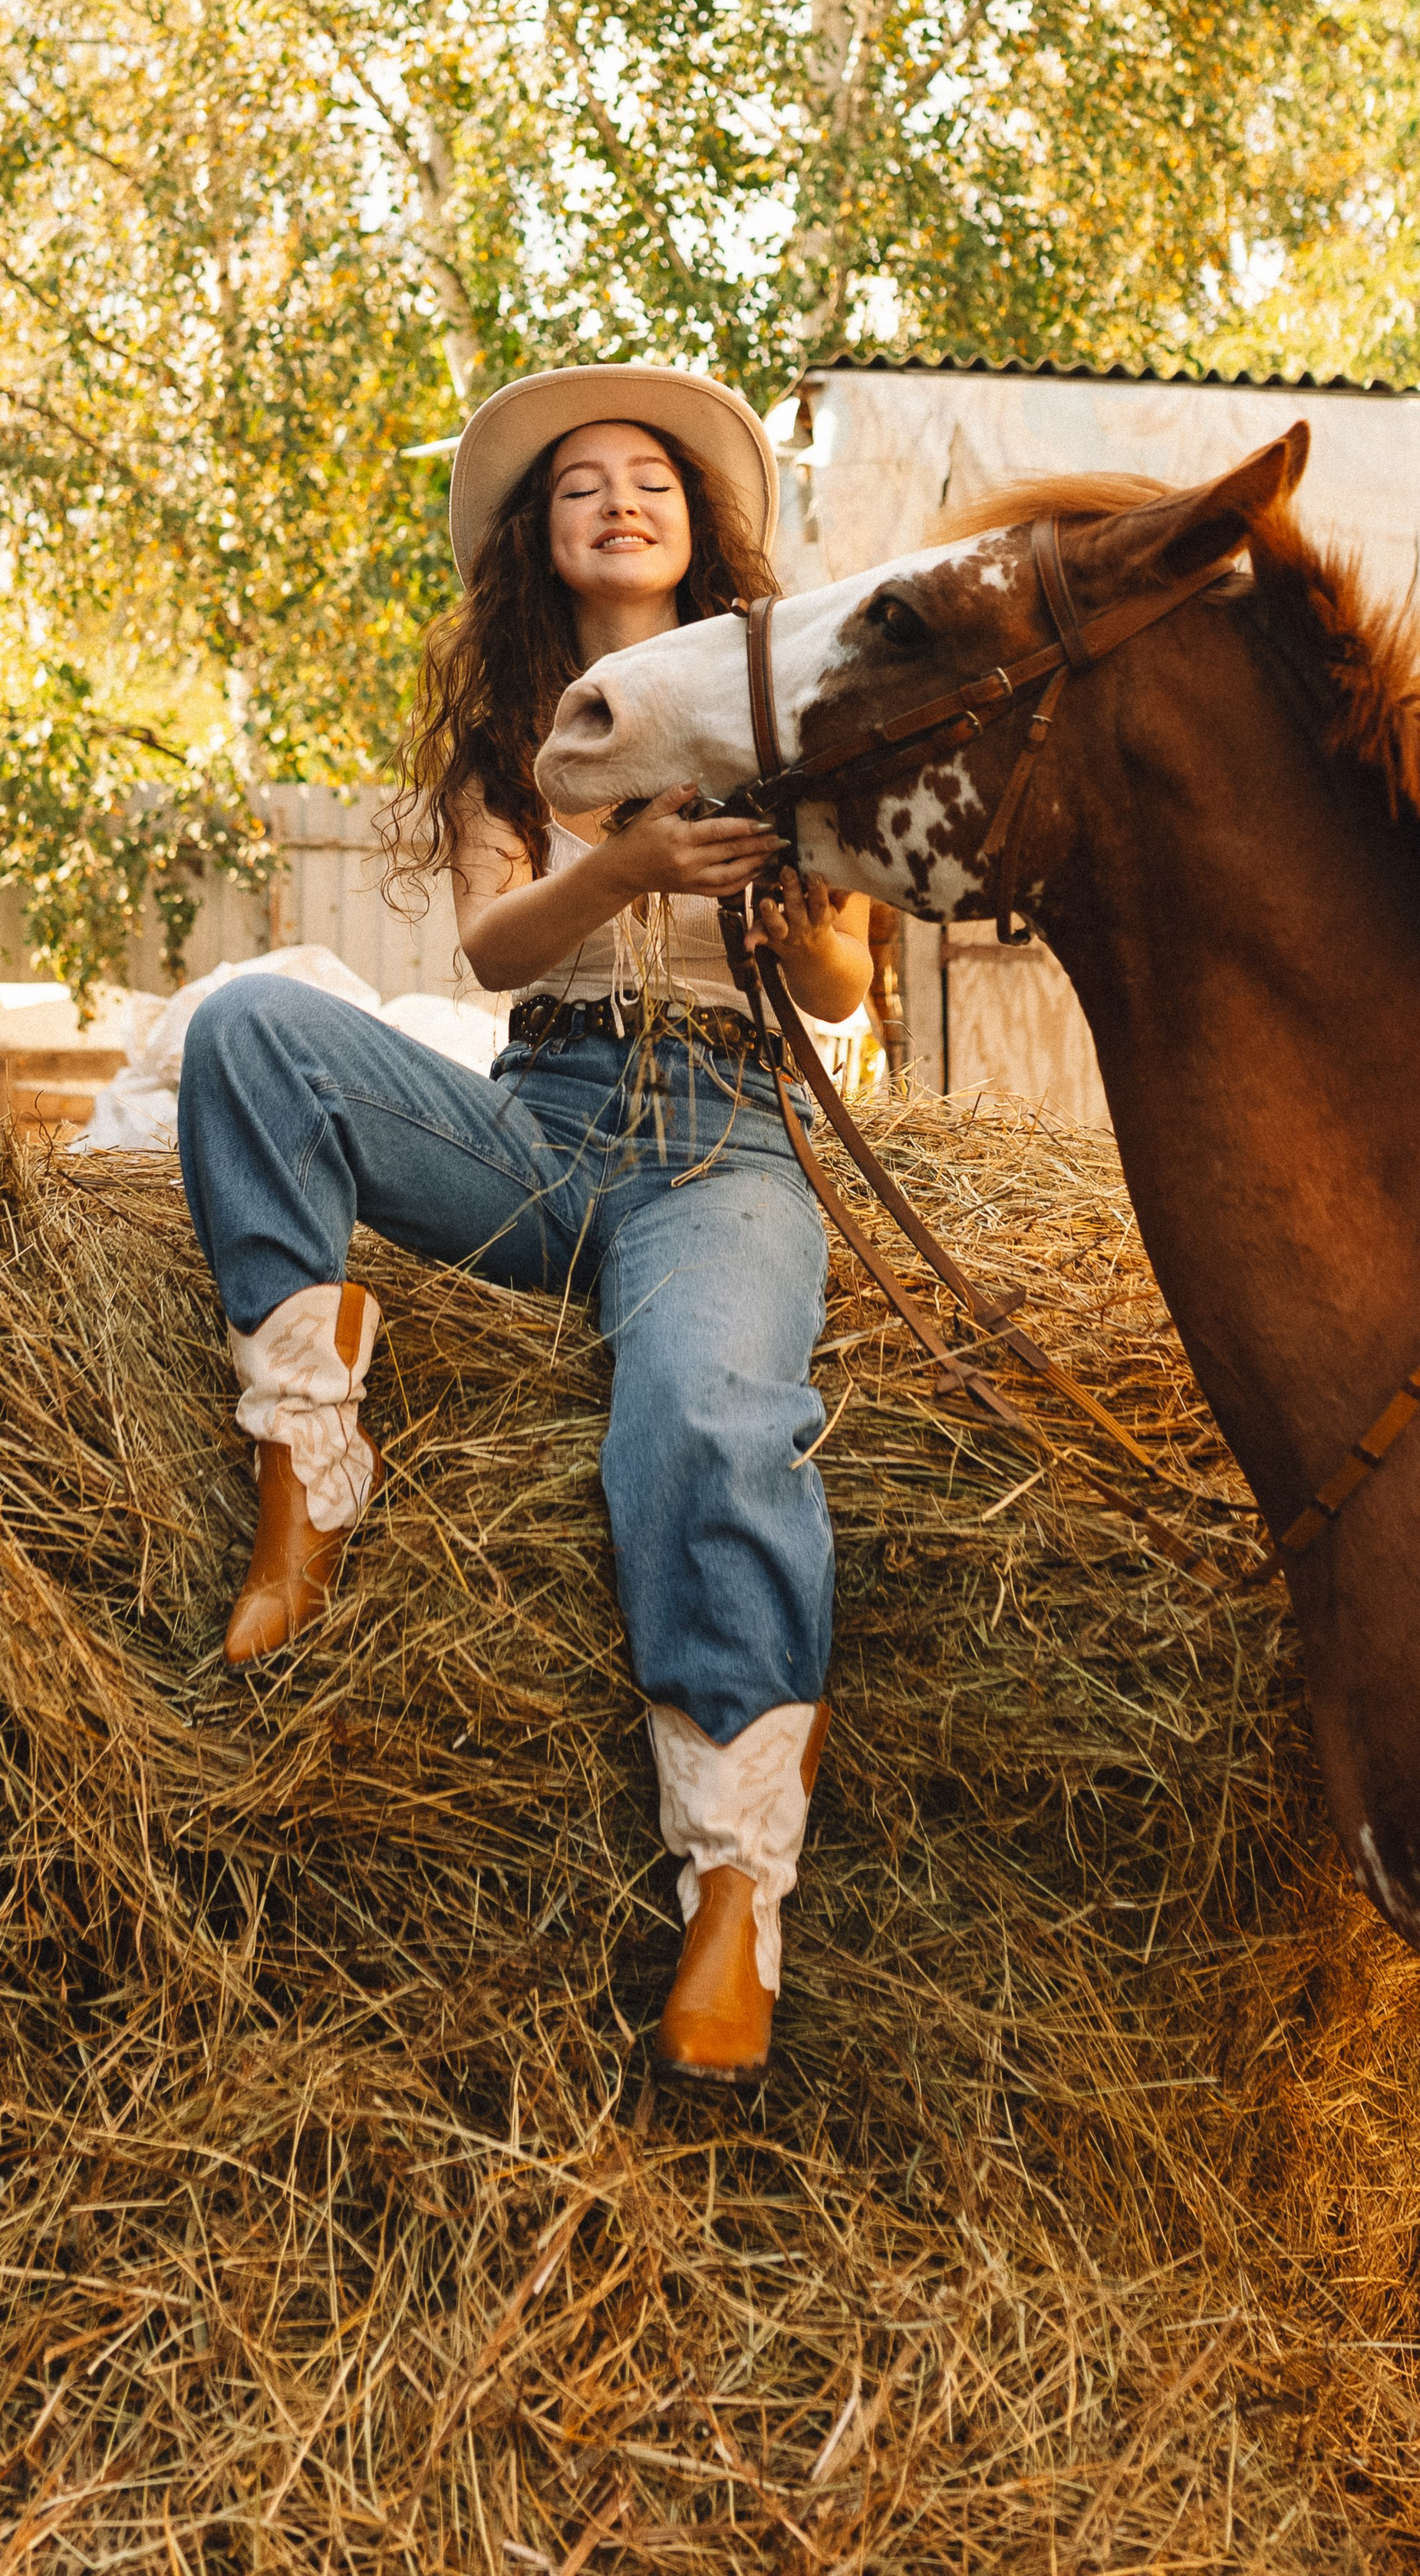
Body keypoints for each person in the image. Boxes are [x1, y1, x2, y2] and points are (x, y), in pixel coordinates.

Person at [177, 364, 875, 2089]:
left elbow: (851, 981)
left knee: (704, 1415)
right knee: (252, 1026)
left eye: (650, 477)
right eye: (580, 486)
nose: (618, 500)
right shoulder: (519, 729)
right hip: (542, 1124)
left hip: (725, 1147)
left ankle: (731, 1884)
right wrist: (628, 866)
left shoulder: (788, 724)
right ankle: (309, 1454)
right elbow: (491, 957)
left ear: (700, 523)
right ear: (539, 541)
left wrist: (784, 913)